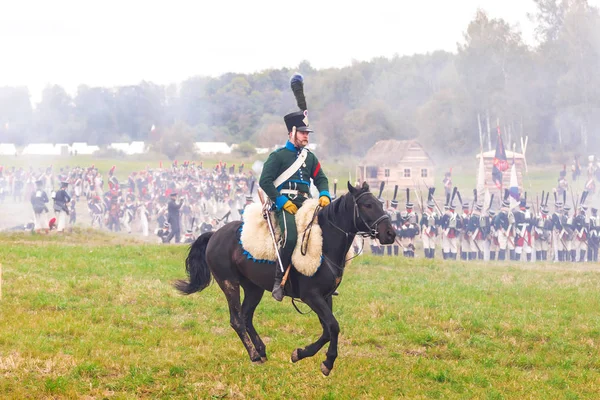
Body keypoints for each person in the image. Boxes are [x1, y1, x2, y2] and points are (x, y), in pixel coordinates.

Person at [259, 77, 330, 301]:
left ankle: (322, 280)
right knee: (290, 238)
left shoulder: (310, 157)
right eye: (302, 132)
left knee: (324, 234)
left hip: (306, 203)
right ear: (291, 132)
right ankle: (278, 281)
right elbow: (265, 181)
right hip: (284, 204)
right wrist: (280, 201)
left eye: (307, 133)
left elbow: (321, 178)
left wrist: (325, 194)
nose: (306, 136)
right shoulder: (278, 156)